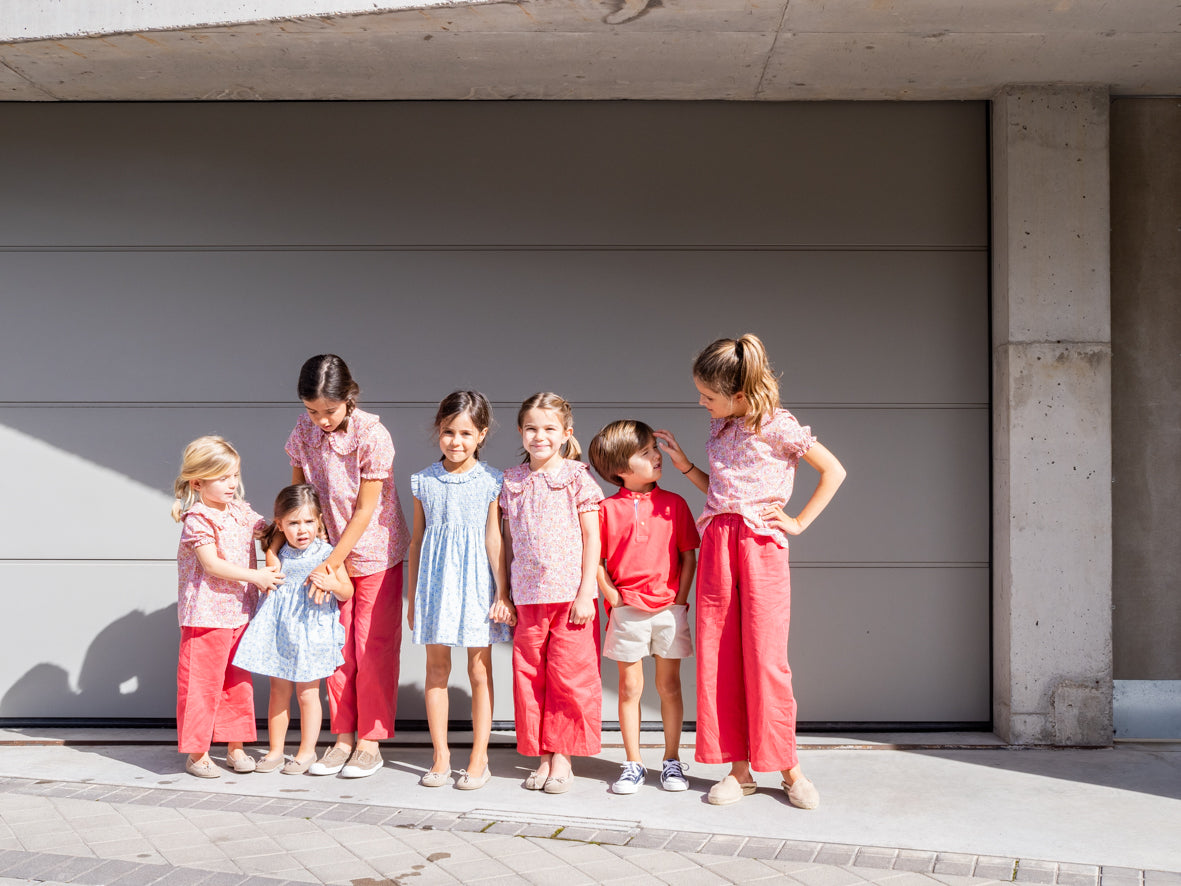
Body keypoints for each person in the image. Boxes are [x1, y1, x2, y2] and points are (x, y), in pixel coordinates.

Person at [656, 334, 846, 809]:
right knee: (719, 657)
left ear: (739, 394)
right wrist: (684, 467)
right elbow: (721, 491)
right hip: (718, 540)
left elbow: (834, 471)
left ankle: (788, 769)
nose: (702, 402)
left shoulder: (779, 426)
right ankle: (737, 772)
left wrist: (798, 521)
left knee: (766, 660)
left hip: (760, 547)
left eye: (709, 396)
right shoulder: (719, 429)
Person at [285, 354, 410, 778]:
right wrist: (310, 554)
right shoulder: (303, 431)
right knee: (334, 648)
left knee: (371, 647)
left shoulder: (372, 435)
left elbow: (365, 508)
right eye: (312, 410)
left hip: (373, 551)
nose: (320, 419)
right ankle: (342, 737)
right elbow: (300, 493)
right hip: (326, 554)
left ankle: (370, 740)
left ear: (349, 396)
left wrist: (330, 564)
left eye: (329, 410)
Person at [407, 391, 516, 791]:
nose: (456, 441)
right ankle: (440, 756)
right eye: (449, 432)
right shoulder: (422, 481)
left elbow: (495, 539)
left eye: (466, 433)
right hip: (435, 586)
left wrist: (501, 593)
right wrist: (413, 596)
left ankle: (479, 757)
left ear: (481, 434)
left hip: (476, 585)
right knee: (436, 670)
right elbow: (416, 542)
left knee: (479, 671)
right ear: (439, 430)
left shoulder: (492, 480)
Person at [500, 392, 604, 794]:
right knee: (530, 677)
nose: (539, 436)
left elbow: (592, 537)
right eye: (531, 428)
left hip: (569, 597)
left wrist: (585, 591)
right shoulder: (512, 480)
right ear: (521, 432)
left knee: (569, 677)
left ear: (565, 434)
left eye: (548, 429)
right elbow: (507, 540)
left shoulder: (577, 477)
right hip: (527, 596)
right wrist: (504, 593)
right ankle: (541, 753)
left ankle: (563, 755)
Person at [588, 420, 699, 795]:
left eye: (655, 448)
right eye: (646, 452)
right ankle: (633, 763)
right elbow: (596, 561)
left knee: (669, 686)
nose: (656, 456)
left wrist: (680, 600)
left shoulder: (675, 504)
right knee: (628, 688)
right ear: (621, 469)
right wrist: (612, 596)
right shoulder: (604, 509)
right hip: (627, 611)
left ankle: (671, 761)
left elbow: (688, 556)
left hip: (669, 610)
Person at [172, 435, 282, 778]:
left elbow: (270, 531)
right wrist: (257, 576)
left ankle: (236, 747)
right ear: (198, 481)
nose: (231, 484)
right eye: (222, 477)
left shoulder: (240, 511)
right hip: (206, 614)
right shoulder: (199, 518)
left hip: (239, 612)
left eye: (234, 475)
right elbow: (212, 565)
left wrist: (273, 552)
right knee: (201, 684)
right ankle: (197, 752)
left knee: (237, 681)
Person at [233, 485, 353, 775]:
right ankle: (275, 750)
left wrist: (331, 585)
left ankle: (306, 752)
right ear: (280, 525)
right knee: (278, 691)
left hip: (310, 633)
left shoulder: (327, 554)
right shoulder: (279, 553)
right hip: (281, 632)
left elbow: (346, 591)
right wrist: (272, 553)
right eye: (294, 523)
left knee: (308, 693)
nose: (302, 530)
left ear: (320, 521)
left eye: (309, 522)